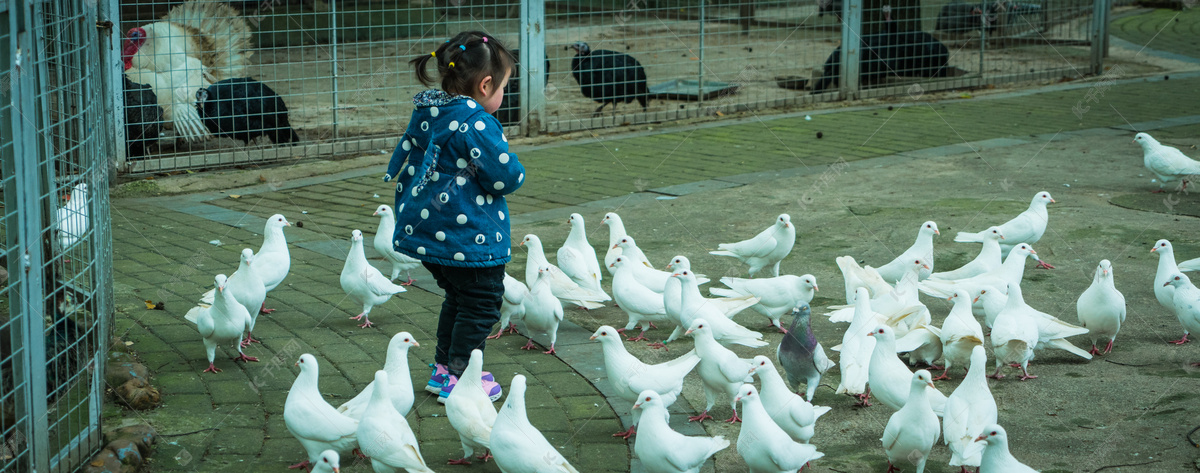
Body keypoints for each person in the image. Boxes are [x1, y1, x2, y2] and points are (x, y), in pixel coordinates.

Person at [384, 31, 523, 403]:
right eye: (504, 87)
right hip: (469, 240)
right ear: (486, 84)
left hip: (429, 235)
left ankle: (443, 370)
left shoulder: (430, 110)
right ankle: (461, 376)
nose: (503, 96)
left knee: (459, 300)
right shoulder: (475, 122)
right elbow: (505, 177)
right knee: (481, 304)